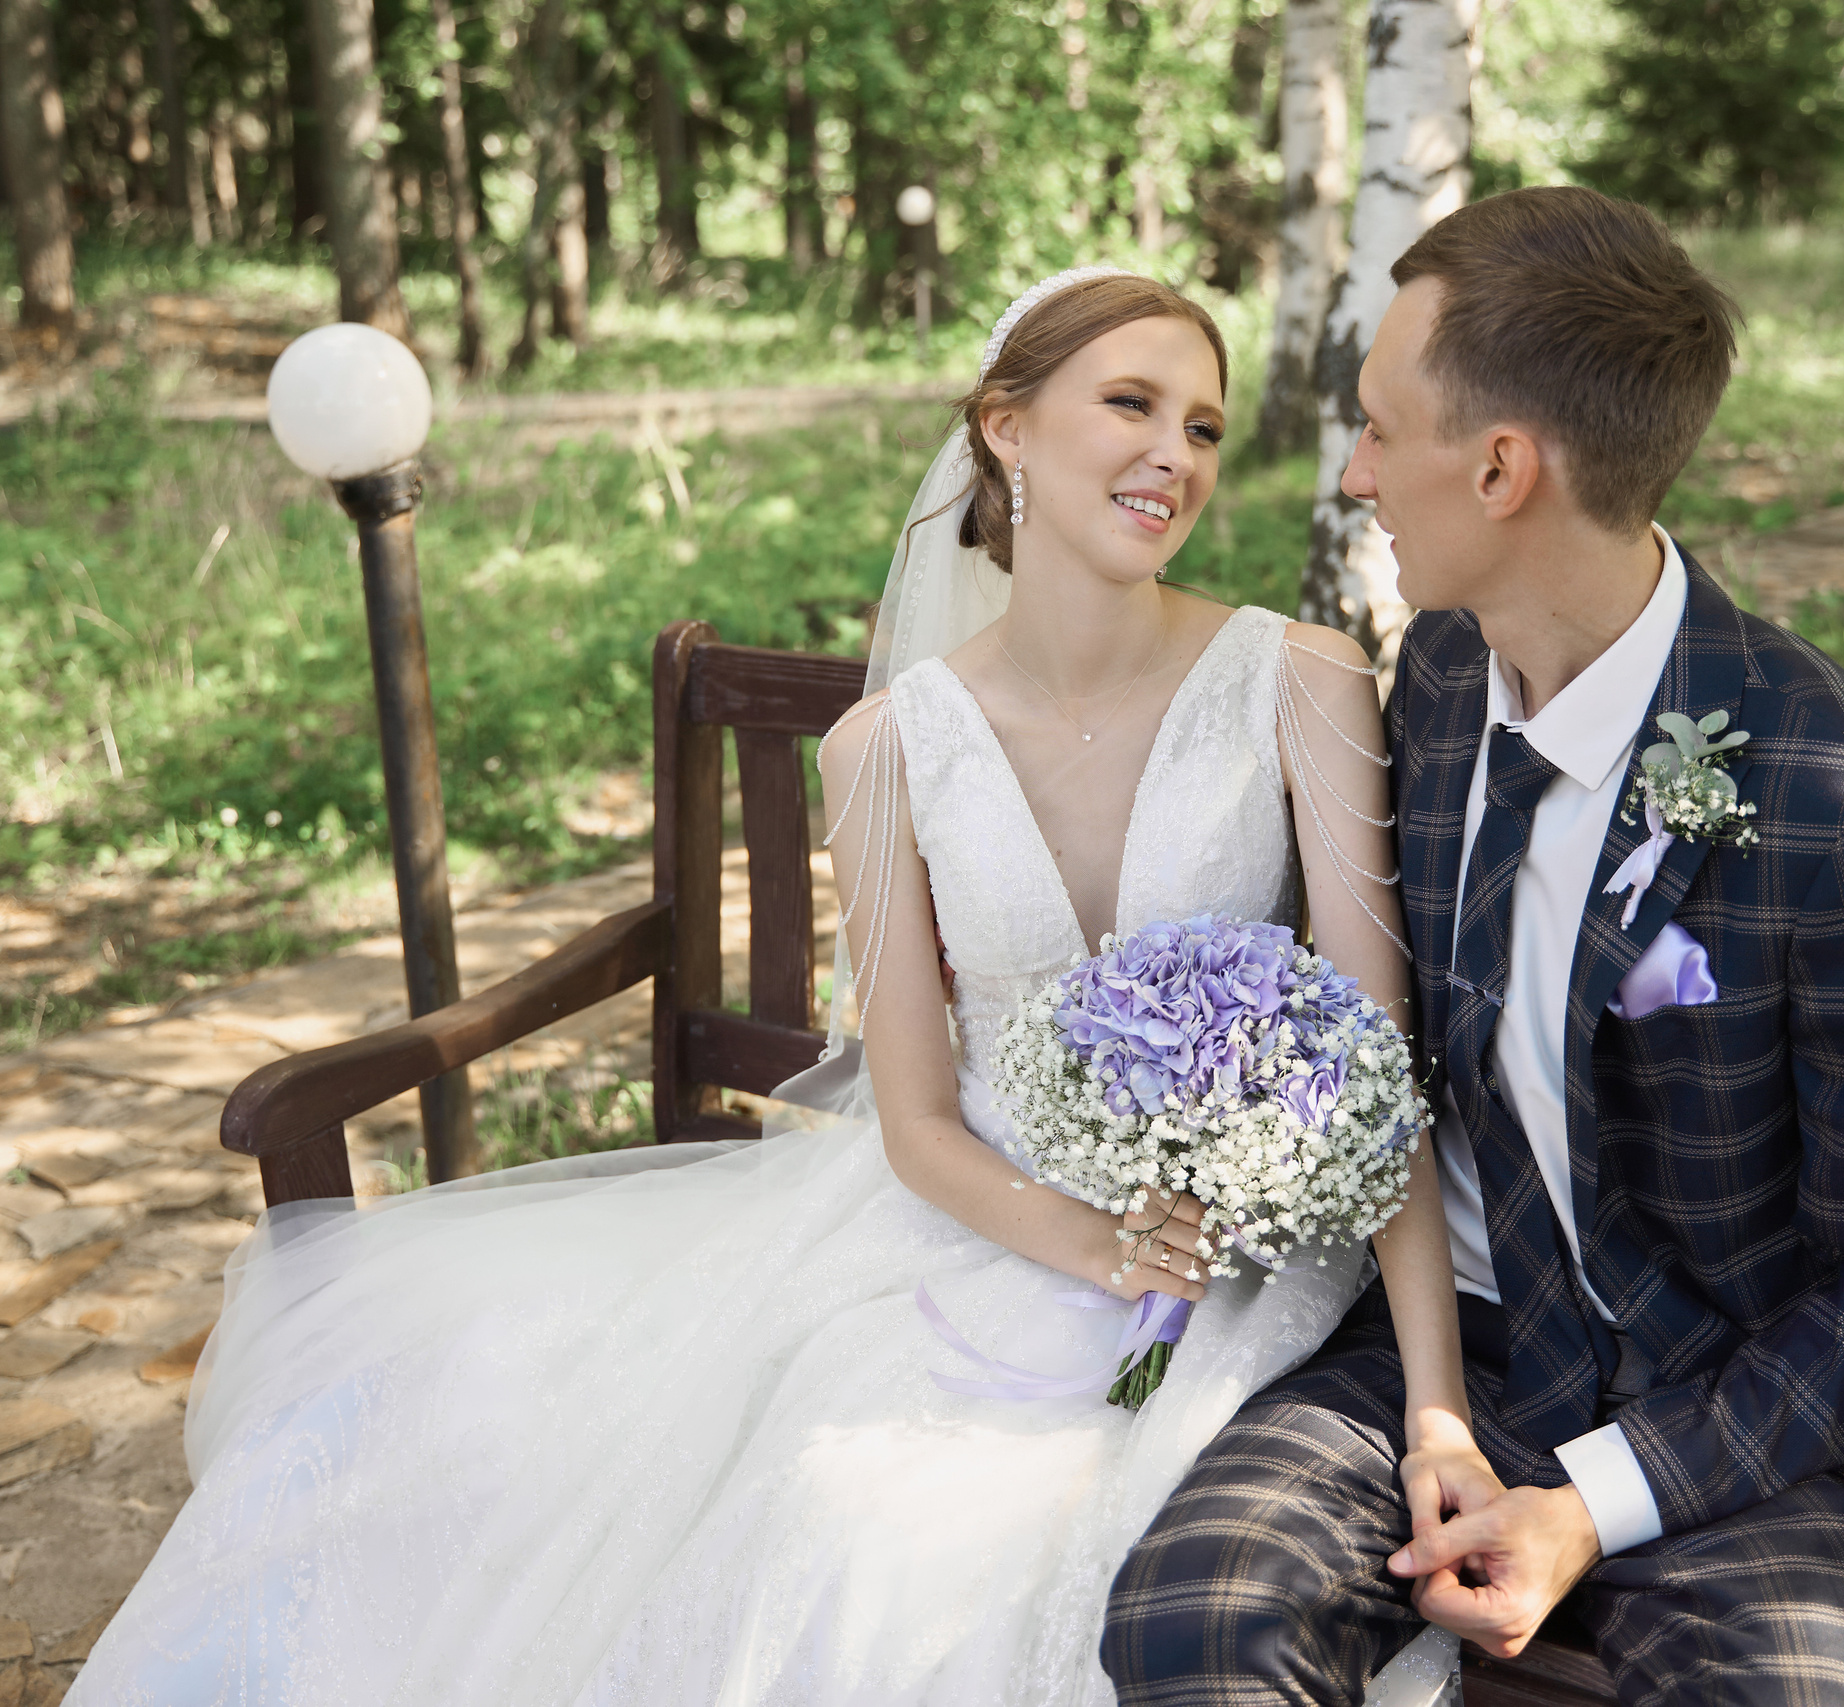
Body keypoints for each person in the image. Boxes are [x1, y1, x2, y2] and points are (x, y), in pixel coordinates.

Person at [72, 270, 1475, 1706]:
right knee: (813, 1518)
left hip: (1240, 1261)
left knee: (1038, 1553)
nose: (1175, 455)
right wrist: (1092, 1242)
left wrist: (1435, 1401)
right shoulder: (882, 749)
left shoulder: (1301, 677)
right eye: (1130, 403)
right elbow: (918, 1121)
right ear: (1007, 428)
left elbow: (1380, 1081)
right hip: (980, 1233)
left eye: (1205, 425)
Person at [1104, 187, 1844, 1706]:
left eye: (1377, 429)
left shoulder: (1838, 808)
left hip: (1729, 1412)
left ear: (1499, 467)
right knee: (1194, 1619)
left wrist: (1589, 1501)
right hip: (1443, 1358)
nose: (1350, 473)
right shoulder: (1436, 672)